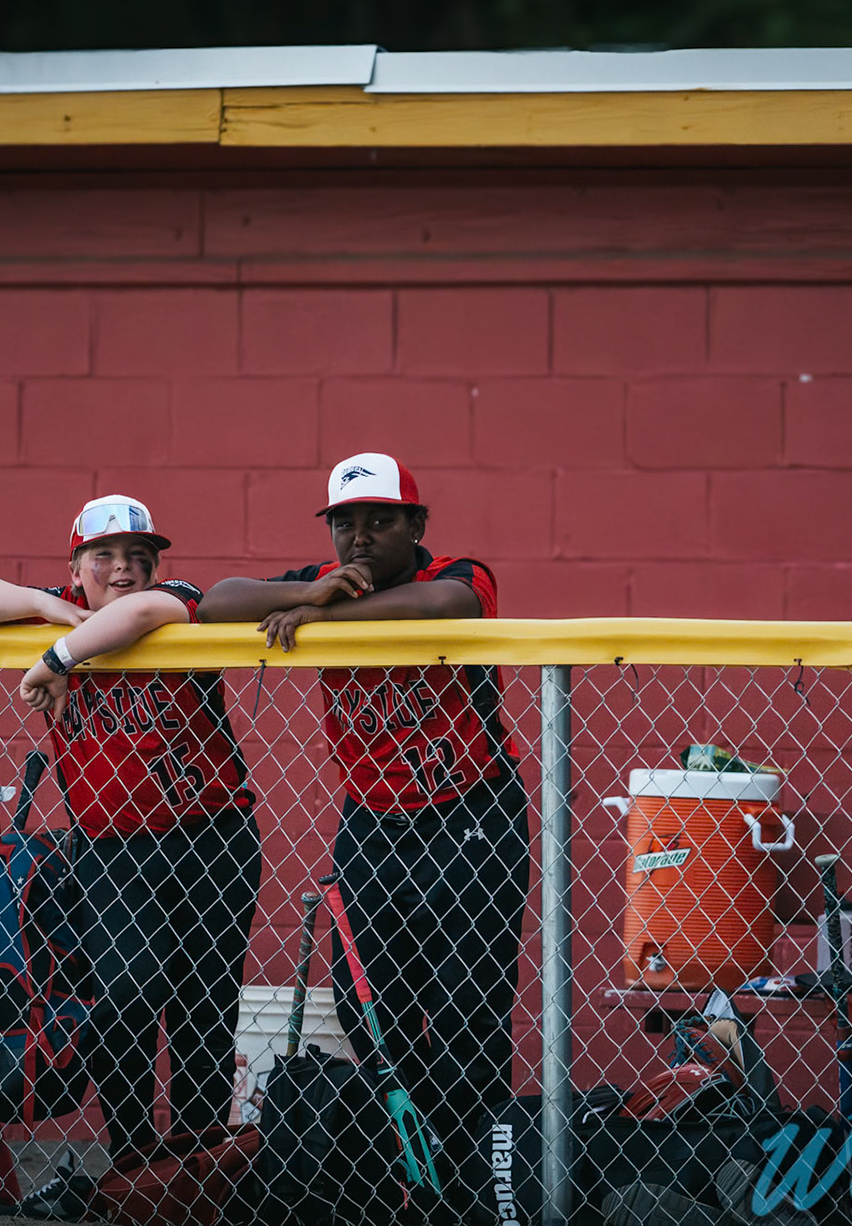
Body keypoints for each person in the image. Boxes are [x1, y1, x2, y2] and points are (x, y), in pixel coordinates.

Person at [199, 452, 528, 1202]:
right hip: (374, 822)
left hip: (470, 813)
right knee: (362, 1001)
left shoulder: (457, 571)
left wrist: (323, 615)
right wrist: (314, 591)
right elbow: (216, 602)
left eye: (381, 521)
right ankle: (419, 1157)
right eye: (346, 523)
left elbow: (445, 608)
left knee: (465, 1007)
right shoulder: (323, 577)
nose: (360, 538)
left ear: (416, 525)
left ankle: (478, 1177)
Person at [0, 494, 260, 1160]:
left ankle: (195, 1168)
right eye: (103, 556)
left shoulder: (173, 601)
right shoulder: (61, 608)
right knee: (125, 996)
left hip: (212, 838)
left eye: (138, 556)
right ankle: (135, 1163)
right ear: (75, 565)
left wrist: (56, 657)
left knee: (204, 1009)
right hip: (111, 850)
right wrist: (53, 609)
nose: (122, 570)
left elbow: (143, 611)